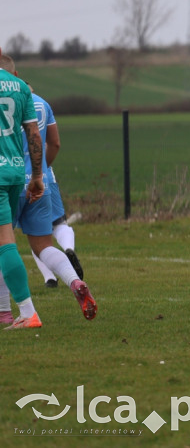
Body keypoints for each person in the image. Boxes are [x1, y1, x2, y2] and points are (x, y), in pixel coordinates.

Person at [0, 56, 96, 320]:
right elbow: (53, 142)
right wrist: (40, 172)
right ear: (16, 73)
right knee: (43, 244)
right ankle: (74, 281)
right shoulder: (35, 100)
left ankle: (6, 311)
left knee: (4, 244)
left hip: (6, 177)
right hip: (35, 177)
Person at [0, 54, 45, 329]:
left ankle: (28, 312)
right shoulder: (19, 86)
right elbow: (34, 134)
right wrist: (37, 176)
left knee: (5, 243)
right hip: (15, 171)